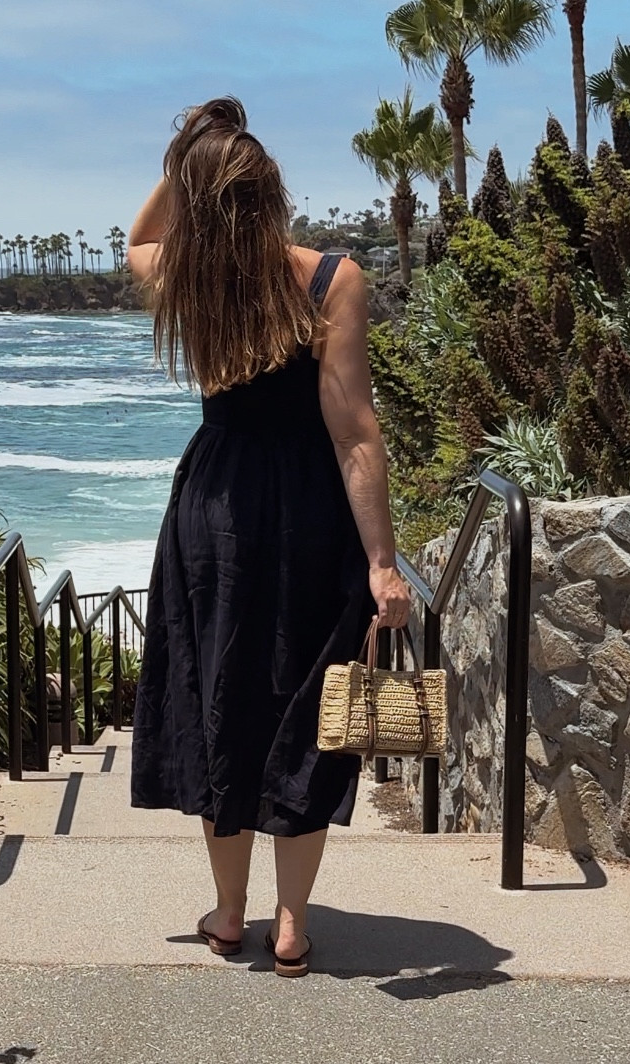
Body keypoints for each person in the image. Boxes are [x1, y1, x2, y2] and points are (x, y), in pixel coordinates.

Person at [127, 96, 410, 979]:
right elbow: (354, 428)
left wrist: (185, 156)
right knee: (305, 704)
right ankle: (291, 924)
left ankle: (227, 912)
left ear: (200, 200)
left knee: (222, 694)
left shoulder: (187, 278)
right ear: (274, 193)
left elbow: (135, 238)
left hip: (214, 507)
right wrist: (381, 562)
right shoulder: (331, 278)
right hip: (309, 509)